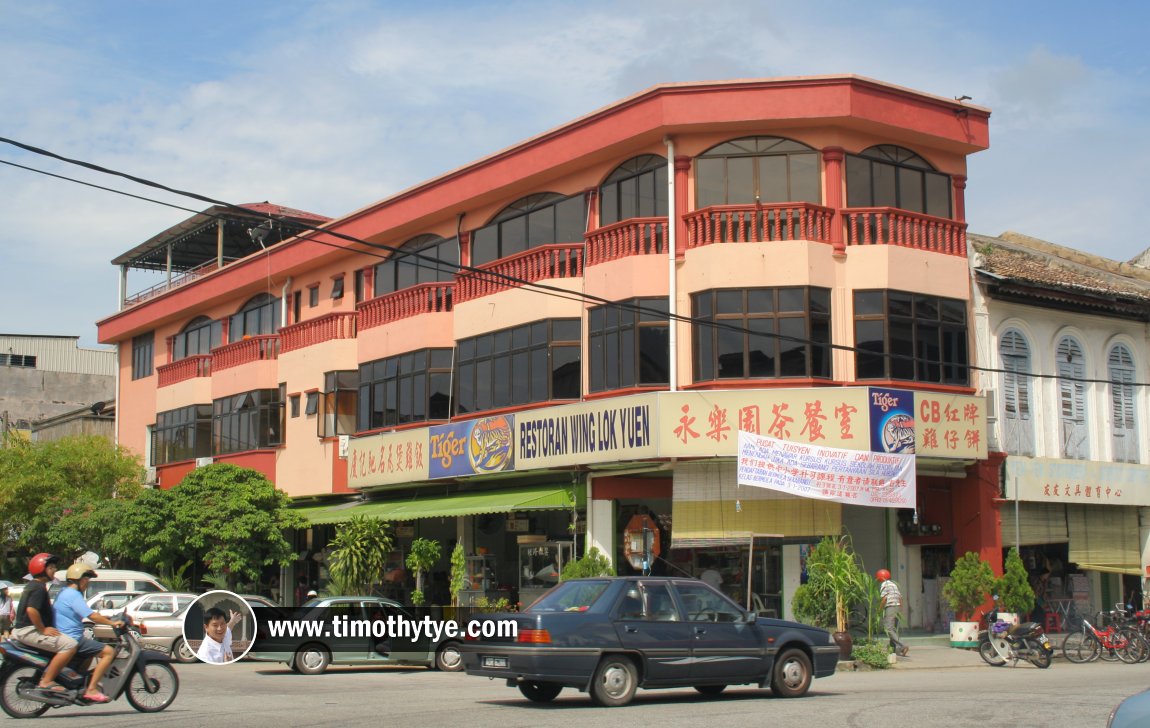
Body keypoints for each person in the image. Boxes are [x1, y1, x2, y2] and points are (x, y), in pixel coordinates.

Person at [54, 564, 125, 703]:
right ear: (78, 580)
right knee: (109, 652)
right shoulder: (73, 595)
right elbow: (92, 616)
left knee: (90, 654)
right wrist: (112, 624)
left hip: (65, 635)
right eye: (86, 580)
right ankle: (91, 689)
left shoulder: (64, 592)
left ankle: (79, 682)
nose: (87, 583)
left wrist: (108, 619)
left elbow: (87, 613)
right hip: (72, 638)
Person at [11, 553, 78, 693]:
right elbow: (31, 610)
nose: (54, 569)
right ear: (41, 569)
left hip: (24, 630)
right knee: (70, 645)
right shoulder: (38, 587)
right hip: (29, 630)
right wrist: (43, 629)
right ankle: (47, 680)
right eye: (51, 567)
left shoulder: (34, 585)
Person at [877, 568, 908, 657]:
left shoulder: (884, 584)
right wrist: (900, 610)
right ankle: (893, 650)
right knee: (893, 629)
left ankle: (903, 645)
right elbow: (900, 597)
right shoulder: (893, 584)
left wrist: (879, 609)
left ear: (881, 577)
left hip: (890, 607)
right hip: (897, 607)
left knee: (888, 629)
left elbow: (884, 598)